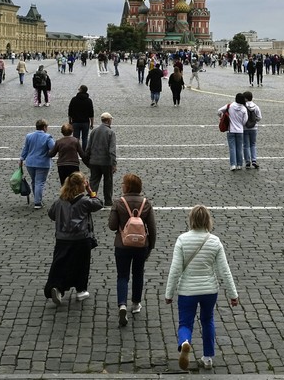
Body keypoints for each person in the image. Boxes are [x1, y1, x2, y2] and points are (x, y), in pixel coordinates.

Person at [164, 205, 239, 370]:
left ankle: (185, 342)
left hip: (187, 290)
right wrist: (233, 295)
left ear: (191, 220)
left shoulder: (182, 240)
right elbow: (224, 271)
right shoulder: (215, 241)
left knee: (185, 323)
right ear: (207, 221)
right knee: (208, 321)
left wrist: (169, 293)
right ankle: (207, 358)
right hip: (209, 290)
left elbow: (175, 269)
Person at [45, 172, 104, 307]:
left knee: (60, 264)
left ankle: (58, 287)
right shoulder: (84, 201)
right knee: (81, 265)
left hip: (62, 238)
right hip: (80, 238)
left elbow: (51, 214)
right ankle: (80, 290)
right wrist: (90, 191)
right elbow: (99, 203)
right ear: (81, 185)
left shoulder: (60, 201)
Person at [108, 173, 157, 326]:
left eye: (123, 183)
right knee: (138, 274)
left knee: (122, 276)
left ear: (127, 187)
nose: (121, 185)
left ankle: (122, 303)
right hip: (141, 246)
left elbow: (112, 226)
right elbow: (152, 228)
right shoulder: (146, 203)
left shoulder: (118, 202)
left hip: (122, 244)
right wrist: (150, 246)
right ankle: (136, 303)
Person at [20, 119, 56, 210]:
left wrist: (21, 159)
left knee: (34, 181)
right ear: (44, 127)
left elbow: (25, 149)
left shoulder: (29, 136)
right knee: (40, 182)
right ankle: (37, 202)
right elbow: (53, 148)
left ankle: (37, 198)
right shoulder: (48, 137)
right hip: (42, 163)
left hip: (30, 163)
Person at [87, 112, 117, 205]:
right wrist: (114, 164)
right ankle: (108, 201)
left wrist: (88, 161)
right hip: (106, 162)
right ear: (108, 120)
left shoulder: (94, 131)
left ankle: (91, 199)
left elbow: (88, 148)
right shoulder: (110, 132)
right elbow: (112, 150)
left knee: (94, 181)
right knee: (108, 182)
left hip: (94, 161)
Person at [218, 94, 248, 171]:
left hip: (231, 130)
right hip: (240, 130)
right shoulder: (244, 109)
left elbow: (219, 111)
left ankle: (233, 164)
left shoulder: (230, 106)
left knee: (232, 148)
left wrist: (222, 116)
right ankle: (239, 164)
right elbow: (245, 121)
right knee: (239, 148)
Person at [67, 85, 95, 150]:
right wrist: (92, 124)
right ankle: (84, 152)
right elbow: (91, 113)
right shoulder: (89, 100)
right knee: (85, 138)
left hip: (75, 122)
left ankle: (76, 151)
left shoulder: (74, 99)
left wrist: (70, 121)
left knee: (75, 138)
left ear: (81, 90)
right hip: (85, 122)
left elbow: (70, 111)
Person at [242, 91, 262, 169]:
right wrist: (254, 121)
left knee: (246, 145)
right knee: (253, 144)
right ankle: (254, 160)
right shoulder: (256, 106)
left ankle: (247, 161)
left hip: (245, 128)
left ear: (245, 98)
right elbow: (260, 117)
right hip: (254, 128)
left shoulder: (243, 106)